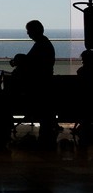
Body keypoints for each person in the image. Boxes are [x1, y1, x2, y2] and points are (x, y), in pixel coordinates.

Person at [22, 19, 58, 148]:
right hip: (45, 81)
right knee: (45, 114)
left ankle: (45, 139)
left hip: (40, 83)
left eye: (28, 31)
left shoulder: (40, 44)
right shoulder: (44, 43)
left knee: (44, 113)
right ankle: (46, 139)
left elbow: (31, 62)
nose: (28, 34)